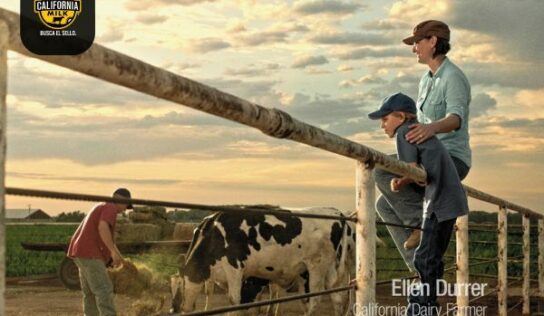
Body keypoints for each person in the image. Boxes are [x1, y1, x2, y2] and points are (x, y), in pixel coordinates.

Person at [373, 20, 471, 271]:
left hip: (451, 158)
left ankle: (418, 222)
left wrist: (430, 128)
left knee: (381, 170)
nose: (414, 48)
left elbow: (456, 119)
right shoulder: (425, 81)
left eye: (417, 42)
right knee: (384, 204)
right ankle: (418, 269)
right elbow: (418, 125)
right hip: (428, 155)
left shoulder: (453, 77)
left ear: (433, 41)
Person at [368, 92, 469, 315]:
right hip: (449, 199)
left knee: (425, 257)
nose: (382, 126)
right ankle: (426, 304)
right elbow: (421, 173)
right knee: (431, 256)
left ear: (401, 116)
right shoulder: (416, 131)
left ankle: (422, 308)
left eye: (385, 119)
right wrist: (403, 180)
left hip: (439, 201)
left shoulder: (405, 133)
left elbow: (416, 172)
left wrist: (401, 179)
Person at [67, 188, 134, 316]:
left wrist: (119, 257)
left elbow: (107, 237)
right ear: (120, 200)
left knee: (90, 292)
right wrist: (113, 252)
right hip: (90, 253)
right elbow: (103, 227)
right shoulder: (110, 207)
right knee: (104, 289)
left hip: (80, 252)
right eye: (126, 205)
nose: (125, 209)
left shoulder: (101, 205)